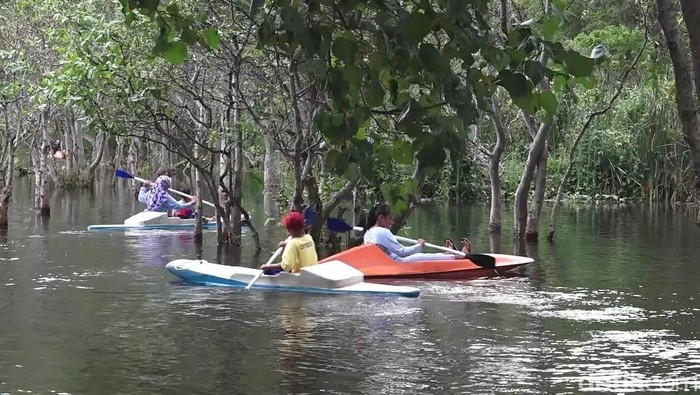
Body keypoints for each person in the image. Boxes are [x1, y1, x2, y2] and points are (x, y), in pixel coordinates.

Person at [363, 203, 470, 263]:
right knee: (420, 256)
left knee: (427, 256)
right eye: (390, 219)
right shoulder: (382, 232)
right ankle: (462, 256)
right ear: (381, 218)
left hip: (388, 262)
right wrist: (419, 245)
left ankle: (450, 252)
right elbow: (402, 252)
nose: (392, 222)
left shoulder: (367, 233)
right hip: (398, 263)